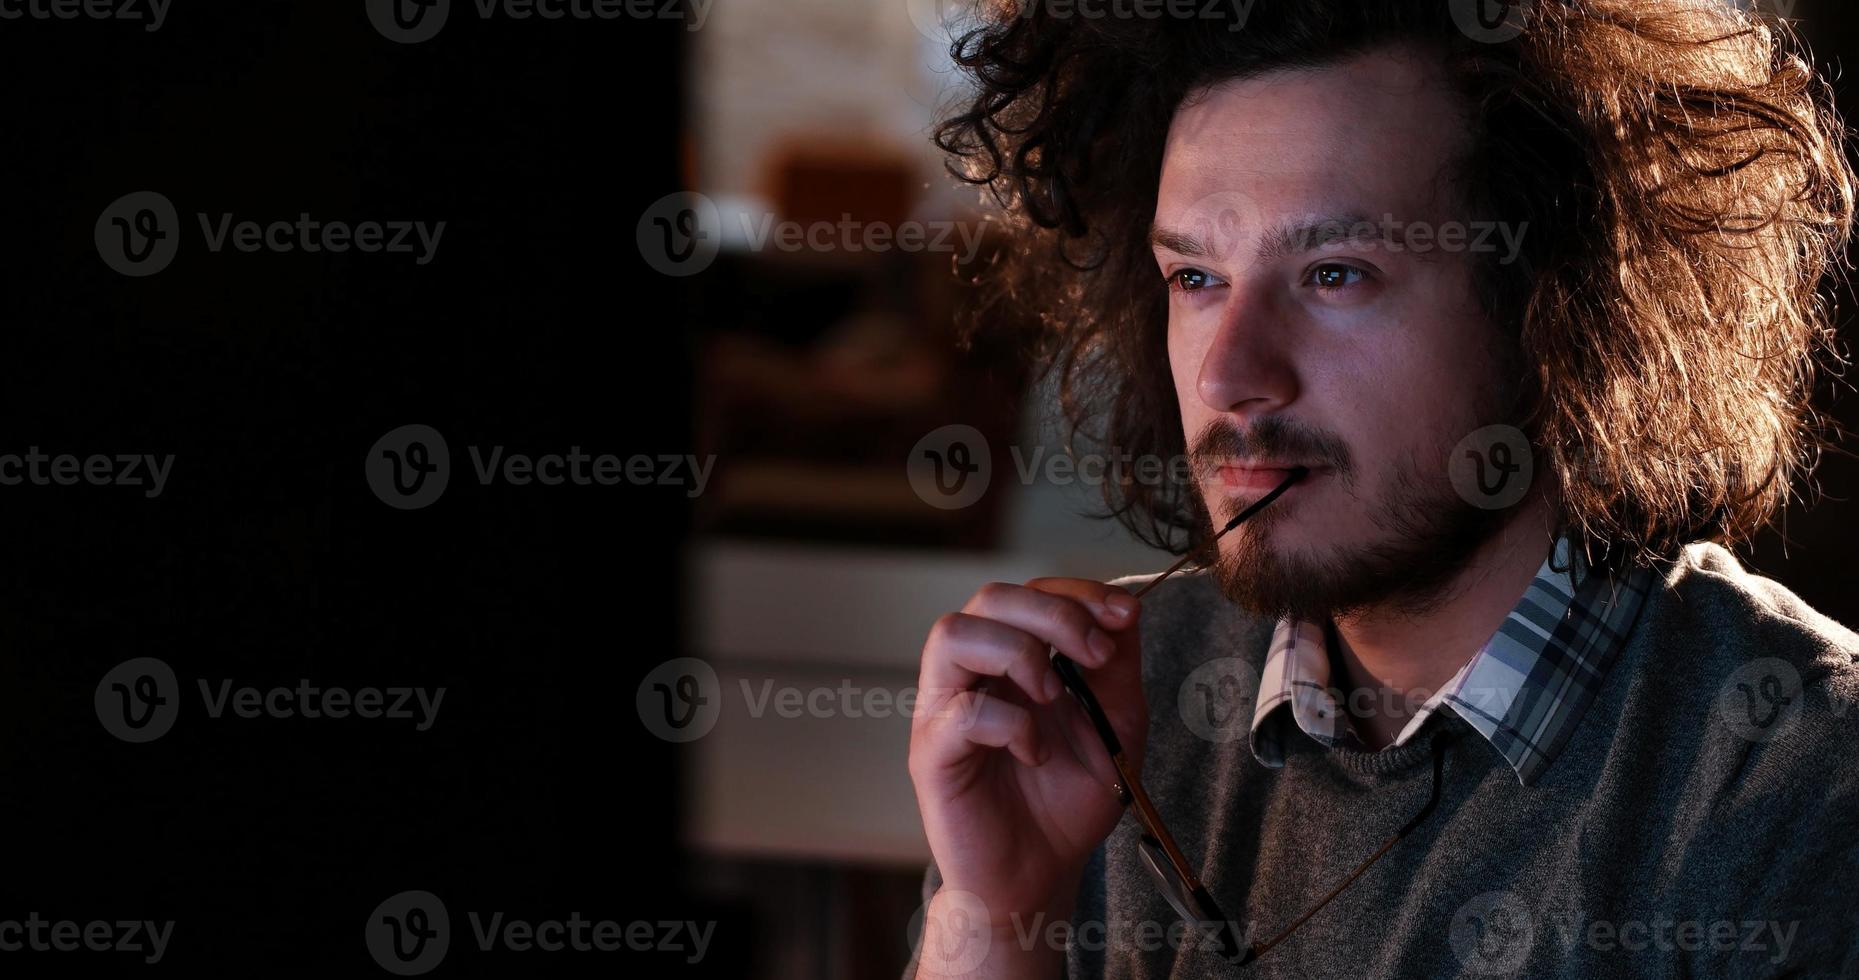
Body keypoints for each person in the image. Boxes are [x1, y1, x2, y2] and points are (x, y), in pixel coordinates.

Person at [903, 1, 1859, 976]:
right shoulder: (1095, 714)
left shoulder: (1792, 773)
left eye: (1332, 273)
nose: (1227, 375)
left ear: (1555, 307)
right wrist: (995, 911)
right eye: (1195, 277)